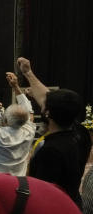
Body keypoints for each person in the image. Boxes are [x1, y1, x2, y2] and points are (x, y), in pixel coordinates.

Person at [19, 58, 92, 206]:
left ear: (47, 113)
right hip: (72, 203)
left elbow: (42, 193)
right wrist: (28, 73)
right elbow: (51, 99)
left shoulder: (51, 151)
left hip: (54, 211)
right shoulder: (81, 133)